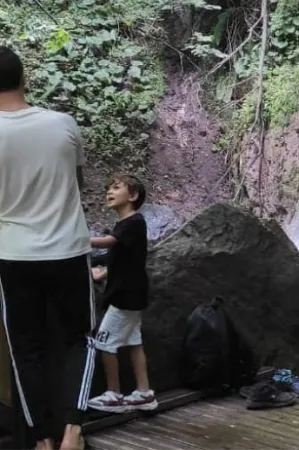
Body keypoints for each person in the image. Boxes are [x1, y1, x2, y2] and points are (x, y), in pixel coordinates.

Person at [0, 46, 94, 450]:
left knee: (26, 349)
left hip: (14, 255)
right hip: (69, 249)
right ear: (25, 78)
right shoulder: (63, 124)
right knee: (81, 339)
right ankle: (74, 429)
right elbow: (79, 182)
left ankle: (41, 440)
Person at [87, 174, 157, 413]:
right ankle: (144, 392)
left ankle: (113, 395)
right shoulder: (128, 225)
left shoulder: (133, 222)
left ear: (133, 195)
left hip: (124, 297)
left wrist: (79, 239)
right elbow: (127, 260)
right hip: (133, 294)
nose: (110, 192)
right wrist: (103, 273)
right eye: (108, 188)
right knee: (133, 342)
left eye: (116, 188)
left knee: (104, 343)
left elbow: (108, 243)